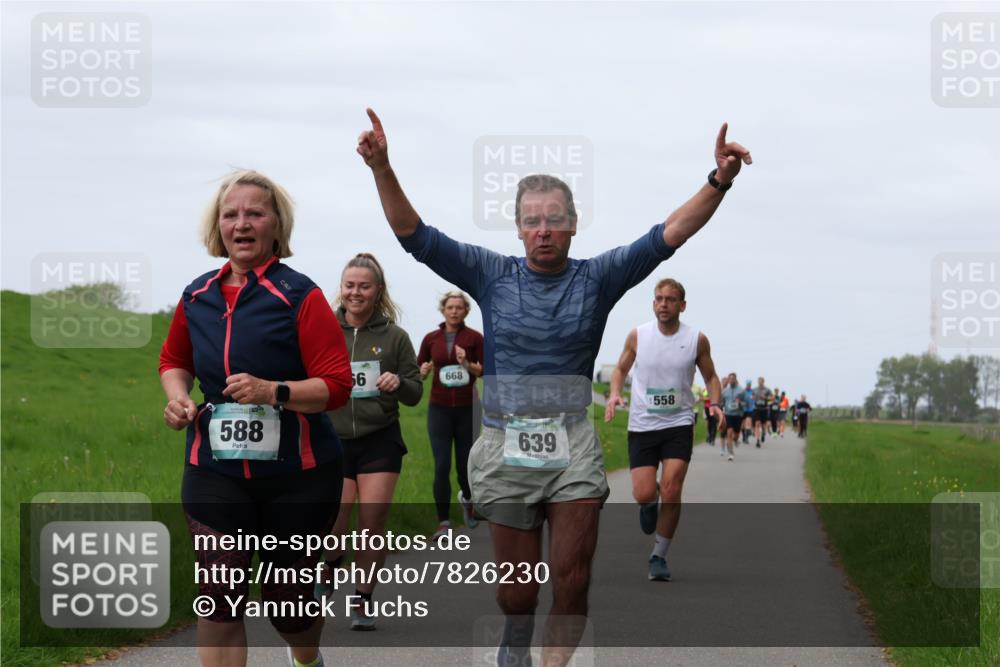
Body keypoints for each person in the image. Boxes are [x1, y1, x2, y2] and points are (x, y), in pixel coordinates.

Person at [356, 107, 751, 666]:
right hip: (504, 445)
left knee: (572, 578)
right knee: (517, 593)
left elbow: (669, 235)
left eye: (555, 218)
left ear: (573, 223)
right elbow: (414, 237)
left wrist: (719, 181)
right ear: (519, 229)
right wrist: (382, 167)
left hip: (573, 448)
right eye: (533, 220)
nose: (544, 229)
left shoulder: (599, 277)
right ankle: (516, 640)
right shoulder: (490, 275)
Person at [159, 170, 353, 667]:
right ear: (218, 226)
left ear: (275, 226)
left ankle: (307, 658)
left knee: (287, 607)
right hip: (214, 469)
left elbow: (336, 386)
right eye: (231, 214)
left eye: (255, 213)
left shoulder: (300, 296)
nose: (241, 223)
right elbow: (172, 361)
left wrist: (275, 391)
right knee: (219, 595)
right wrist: (179, 397)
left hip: (300, 475)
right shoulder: (196, 296)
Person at [316, 253, 423, 631]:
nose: (355, 292)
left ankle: (362, 599)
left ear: (377, 291)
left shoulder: (395, 337)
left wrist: (399, 382)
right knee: (335, 520)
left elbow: (414, 391)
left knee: (371, 524)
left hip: (380, 440)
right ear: (341, 288)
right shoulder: (323, 330)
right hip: (334, 439)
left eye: (364, 286)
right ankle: (329, 569)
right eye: (349, 285)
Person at [604, 279, 725, 581]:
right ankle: (648, 502)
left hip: (678, 423)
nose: (663, 304)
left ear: (682, 306)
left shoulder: (696, 339)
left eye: (670, 300)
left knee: (671, 489)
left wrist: (715, 403)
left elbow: (711, 376)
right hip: (643, 423)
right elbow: (620, 369)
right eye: (658, 299)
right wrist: (614, 393)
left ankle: (658, 555)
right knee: (644, 492)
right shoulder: (638, 336)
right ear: (653, 303)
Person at [417, 290, 485, 541]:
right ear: (443, 310)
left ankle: (468, 499)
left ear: (466, 311)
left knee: (465, 464)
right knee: (442, 464)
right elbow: (420, 369)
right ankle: (443, 523)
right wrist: (423, 371)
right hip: (439, 408)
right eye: (450, 307)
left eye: (459, 307)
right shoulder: (430, 339)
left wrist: (466, 363)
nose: (454, 311)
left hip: (468, 408)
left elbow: (485, 370)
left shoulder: (475, 338)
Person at [721, 373, 743, 461]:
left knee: (736, 434)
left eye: (733, 378)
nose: (731, 380)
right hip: (728, 414)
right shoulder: (725, 391)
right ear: (728, 380)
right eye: (730, 379)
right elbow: (721, 402)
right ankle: (731, 453)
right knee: (729, 433)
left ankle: (737, 439)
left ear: (735, 379)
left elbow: (748, 403)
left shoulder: (741, 391)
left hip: (738, 415)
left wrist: (740, 402)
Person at [752, 377, 771, 447]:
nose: (760, 382)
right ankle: (758, 440)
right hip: (757, 409)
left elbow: (772, 398)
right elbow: (752, 397)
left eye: (761, 381)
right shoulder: (754, 389)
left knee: (763, 425)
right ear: (757, 382)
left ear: (763, 382)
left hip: (764, 409)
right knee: (757, 423)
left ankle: (763, 433)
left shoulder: (767, 390)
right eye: (759, 381)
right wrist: (753, 398)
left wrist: (766, 398)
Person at [742, 380, 754, 444]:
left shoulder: (752, 391)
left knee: (748, 422)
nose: (748, 386)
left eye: (749, 385)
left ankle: (746, 437)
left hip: (750, 409)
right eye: (747, 384)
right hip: (743, 409)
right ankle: (744, 436)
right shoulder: (743, 391)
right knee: (743, 424)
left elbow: (755, 398)